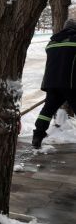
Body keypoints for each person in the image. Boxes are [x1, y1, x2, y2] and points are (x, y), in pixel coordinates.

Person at [32, 18, 76, 148]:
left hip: (52, 83)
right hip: (71, 83)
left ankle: (37, 136)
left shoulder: (53, 41)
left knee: (47, 111)